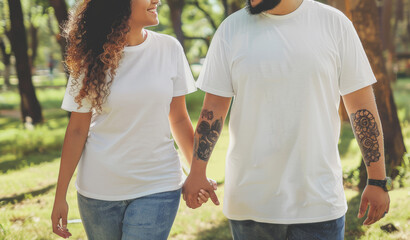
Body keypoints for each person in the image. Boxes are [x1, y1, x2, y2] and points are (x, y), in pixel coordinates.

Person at [182, 0, 391, 239]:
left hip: (319, 204)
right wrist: (197, 171)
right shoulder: (231, 29)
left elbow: (361, 108)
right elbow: (213, 111)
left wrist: (377, 180)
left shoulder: (335, 24)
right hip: (250, 205)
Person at [50, 0, 215, 239]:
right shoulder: (90, 56)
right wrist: (59, 196)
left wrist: (196, 173)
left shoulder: (169, 48)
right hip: (98, 191)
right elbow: (77, 130)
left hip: (158, 185)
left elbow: (178, 118)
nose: (156, 0)